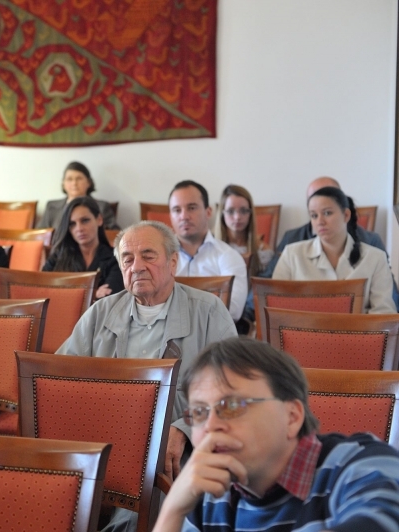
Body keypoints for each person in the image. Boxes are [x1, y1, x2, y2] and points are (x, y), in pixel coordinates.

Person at [57, 220, 236, 532]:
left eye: (148, 256)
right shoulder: (100, 313)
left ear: (173, 262)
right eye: (127, 259)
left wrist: (184, 427)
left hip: (176, 447)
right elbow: (58, 381)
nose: (137, 266)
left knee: (147, 496)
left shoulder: (208, 312)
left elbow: (232, 389)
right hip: (105, 442)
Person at [154, 337, 399, 532]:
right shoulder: (208, 494)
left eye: (232, 406)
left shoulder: (364, 465)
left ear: (292, 417)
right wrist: (173, 510)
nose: (211, 426)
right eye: (199, 412)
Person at [273, 186, 396, 313]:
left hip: (358, 326)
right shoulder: (291, 254)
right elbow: (276, 307)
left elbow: (383, 312)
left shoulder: (375, 258)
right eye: (314, 215)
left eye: (327, 213)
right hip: (304, 326)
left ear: (346, 215)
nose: (320, 221)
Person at [169, 180, 248, 322]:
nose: (184, 216)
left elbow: (233, 310)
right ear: (170, 215)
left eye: (192, 208)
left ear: (208, 212)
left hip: (212, 334)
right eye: (177, 210)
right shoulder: (158, 257)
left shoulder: (229, 256)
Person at [43, 195, 124, 299]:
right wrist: (93, 294)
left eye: (85, 220)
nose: (79, 228)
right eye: (72, 224)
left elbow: (109, 298)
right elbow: (41, 291)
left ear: (99, 219)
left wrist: (67, 293)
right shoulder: (57, 257)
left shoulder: (114, 258)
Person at [37, 161, 120, 231]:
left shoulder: (101, 207)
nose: (74, 183)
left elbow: (114, 234)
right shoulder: (51, 207)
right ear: (63, 184)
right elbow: (39, 234)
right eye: (69, 179)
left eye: (79, 178)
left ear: (89, 182)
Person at [213, 184, 273, 278]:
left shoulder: (263, 251)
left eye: (243, 211)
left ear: (250, 214)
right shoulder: (208, 246)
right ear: (222, 214)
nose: (237, 217)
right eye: (230, 211)